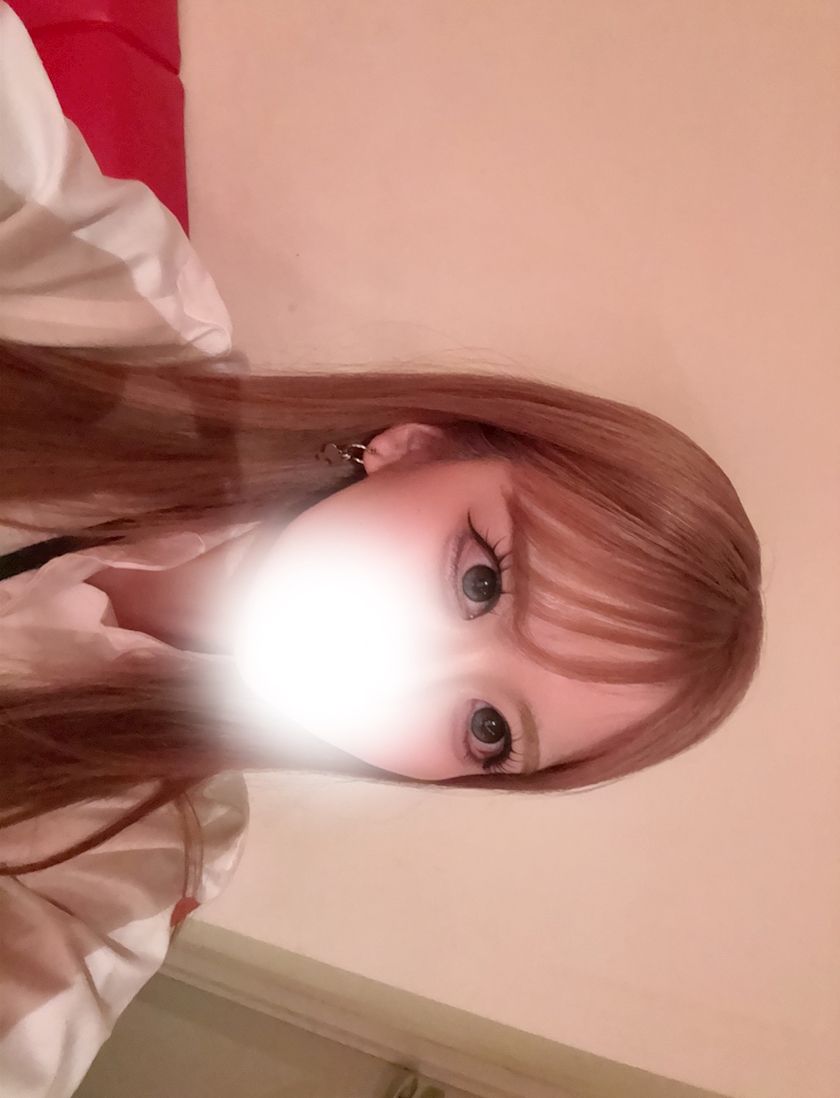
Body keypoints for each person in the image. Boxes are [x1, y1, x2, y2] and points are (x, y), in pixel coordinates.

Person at [0, 4, 762, 1096]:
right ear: (417, 447)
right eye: (480, 579)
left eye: (489, 729)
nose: (420, 674)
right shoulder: (135, 336)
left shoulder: (146, 837)